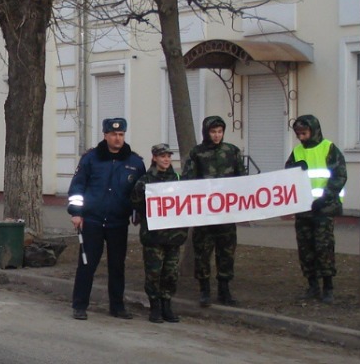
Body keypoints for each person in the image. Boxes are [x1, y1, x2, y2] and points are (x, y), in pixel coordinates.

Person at [67, 117, 145, 321]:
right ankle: (80, 305)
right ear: (105, 135)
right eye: (113, 134)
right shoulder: (91, 158)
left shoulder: (135, 163)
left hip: (118, 222)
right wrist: (76, 212)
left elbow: (140, 192)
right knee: (87, 265)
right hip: (92, 220)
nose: (117, 138)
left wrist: (137, 214)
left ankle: (117, 307)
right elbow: (78, 186)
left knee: (117, 266)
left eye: (121, 135)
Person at [183, 115, 247, 307]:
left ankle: (224, 290)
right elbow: (189, 180)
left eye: (220, 132)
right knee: (202, 252)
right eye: (213, 132)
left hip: (226, 213)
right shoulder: (197, 153)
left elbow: (242, 179)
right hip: (205, 213)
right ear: (206, 132)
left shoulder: (232, 151)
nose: (217, 135)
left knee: (226, 252)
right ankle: (204, 290)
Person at [284, 115, 347, 305]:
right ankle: (312, 285)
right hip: (304, 209)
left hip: (323, 208)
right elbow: (287, 176)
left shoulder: (329, 148)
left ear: (313, 130)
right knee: (306, 248)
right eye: (298, 134)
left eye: (304, 133)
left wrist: (325, 197)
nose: (301, 137)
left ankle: (328, 287)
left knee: (324, 247)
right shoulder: (296, 152)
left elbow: (339, 176)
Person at [132, 144, 188, 323]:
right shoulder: (145, 181)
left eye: (168, 156)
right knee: (153, 272)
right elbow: (137, 205)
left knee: (170, 273)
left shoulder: (179, 180)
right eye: (162, 156)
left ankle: (166, 305)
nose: (166, 159)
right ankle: (154, 306)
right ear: (154, 158)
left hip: (174, 236)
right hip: (153, 236)